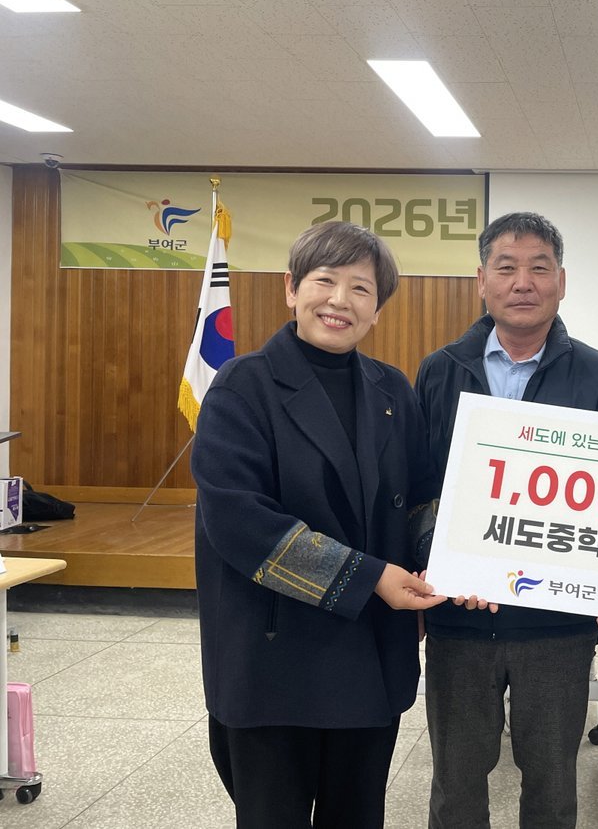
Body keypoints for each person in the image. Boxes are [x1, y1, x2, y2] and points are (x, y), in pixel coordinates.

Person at [192, 221, 446, 829]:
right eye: (325, 281)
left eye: (361, 288)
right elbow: (239, 522)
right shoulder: (241, 386)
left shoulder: (392, 389)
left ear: (377, 309)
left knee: (357, 816)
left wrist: (451, 558)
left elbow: (421, 500)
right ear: (291, 288)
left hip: (371, 659)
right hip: (274, 661)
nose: (339, 300)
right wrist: (370, 577)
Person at [414, 211, 598, 829]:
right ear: (481, 280)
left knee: (553, 783)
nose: (523, 282)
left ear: (561, 281)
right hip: (460, 617)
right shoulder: (440, 369)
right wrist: (439, 563)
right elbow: (418, 487)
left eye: (539, 268)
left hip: (555, 624)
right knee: (456, 782)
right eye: (506, 268)